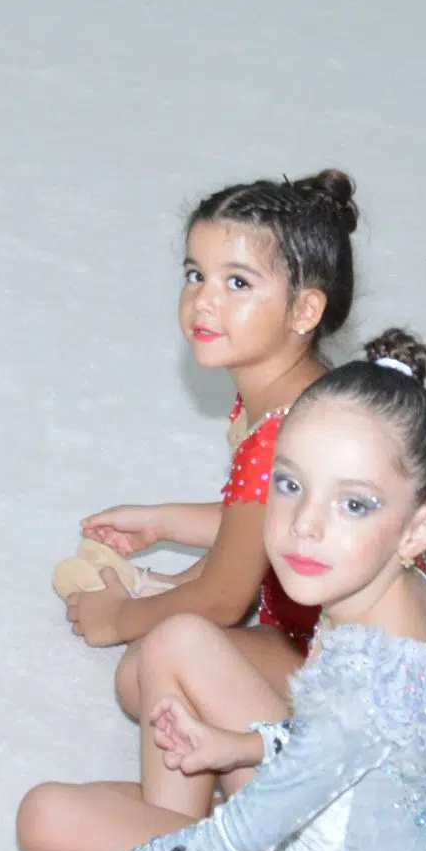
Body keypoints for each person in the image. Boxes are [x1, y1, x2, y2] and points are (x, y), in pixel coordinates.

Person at [7, 341, 426, 851]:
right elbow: (345, 754)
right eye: (290, 485)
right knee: (177, 641)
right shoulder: (394, 591)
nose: (305, 525)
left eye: (354, 504)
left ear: (419, 529)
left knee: (47, 817)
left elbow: (237, 840)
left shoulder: (367, 689)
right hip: (339, 841)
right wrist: (238, 747)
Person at [51, 174, 356, 699]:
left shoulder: (285, 435)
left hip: (343, 666)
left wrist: (118, 617)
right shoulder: (304, 393)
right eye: (196, 275)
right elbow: (269, 524)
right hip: (335, 630)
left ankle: (274, 749)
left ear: (305, 310)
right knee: (172, 639)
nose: (204, 302)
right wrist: (164, 522)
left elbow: (223, 600)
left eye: (237, 283)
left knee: (147, 670)